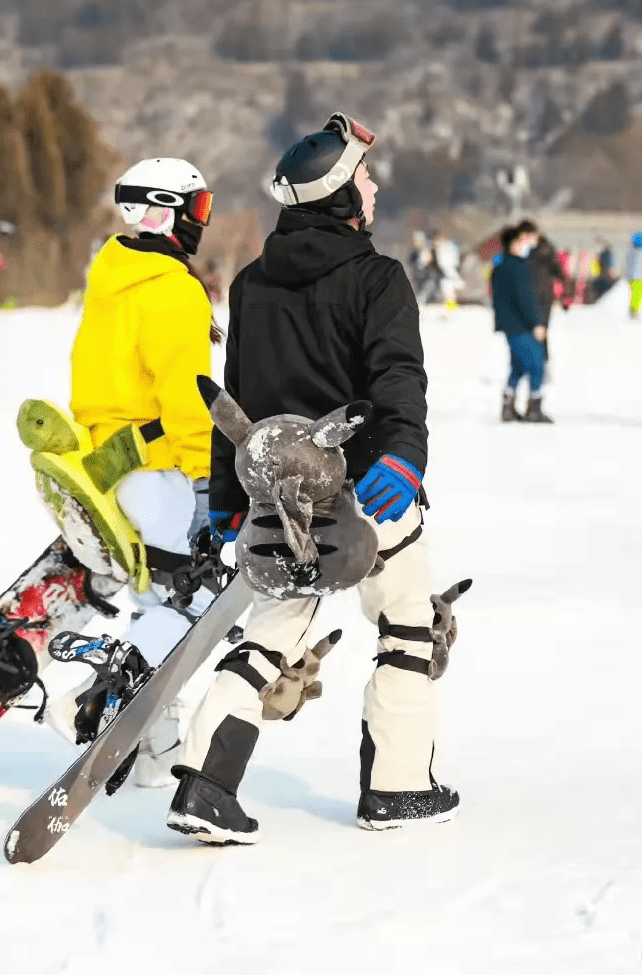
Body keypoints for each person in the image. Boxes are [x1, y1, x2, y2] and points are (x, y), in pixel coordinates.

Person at [167, 112, 459, 843]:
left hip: (280, 495)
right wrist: (401, 456)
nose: (375, 183)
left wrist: (232, 503)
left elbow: (237, 402)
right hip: (369, 489)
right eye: (364, 174)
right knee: (407, 630)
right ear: (339, 194)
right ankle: (396, 787)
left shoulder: (254, 283)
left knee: (269, 636)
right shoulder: (377, 278)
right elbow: (398, 378)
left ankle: (205, 786)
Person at [52, 156, 220, 784]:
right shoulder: (171, 286)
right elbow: (188, 391)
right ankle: (96, 687)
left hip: (108, 464)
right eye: (196, 209)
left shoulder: (111, 275)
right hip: (159, 468)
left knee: (160, 603)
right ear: (164, 211)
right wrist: (208, 476)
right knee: (199, 595)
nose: (200, 222)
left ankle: (156, 753)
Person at [490, 225, 552, 423]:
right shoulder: (518, 268)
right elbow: (526, 299)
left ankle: (508, 406)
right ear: (512, 244)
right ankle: (535, 407)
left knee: (517, 366)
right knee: (536, 365)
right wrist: (537, 323)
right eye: (521, 241)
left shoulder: (499, 267)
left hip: (508, 325)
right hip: (523, 326)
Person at [517, 219, 567, 361]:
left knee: (539, 330)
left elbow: (558, 271)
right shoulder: (521, 250)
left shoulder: (545, 250)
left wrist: (565, 294)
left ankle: (542, 363)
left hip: (542, 296)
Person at [431, 228, 462, 310]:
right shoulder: (436, 249)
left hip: (448, 275)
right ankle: (450, 309)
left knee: (449, 292)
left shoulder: (448, 247)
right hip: (445, 275)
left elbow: (453, 262)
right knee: (448, 293)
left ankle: (451, 309)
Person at [624, 233, 642, 318]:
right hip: (639, 277)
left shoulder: (630, 252)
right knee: (638, 294)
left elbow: (627, 265)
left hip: (631, 277)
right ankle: (634, 311)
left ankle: (633, 310)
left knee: (634, 294)